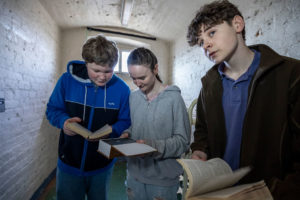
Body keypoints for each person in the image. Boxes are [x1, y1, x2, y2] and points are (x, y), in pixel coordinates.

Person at [186, 0, 300, 199]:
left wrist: (281, 192)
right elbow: (202, 132)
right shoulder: (208, 85)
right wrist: (200, 151)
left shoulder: (291, 74)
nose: (206, 45)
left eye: (211, 33)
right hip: (220, 192)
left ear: (237, 24)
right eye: (201, 41)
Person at [46, 35, 131, 200]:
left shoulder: (123, 90)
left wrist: (113, 130)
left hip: (103, 165)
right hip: (69, 163)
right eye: (96, 70)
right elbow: (52, 110)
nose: (102, 76)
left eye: (108, 71)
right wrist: (63, 122)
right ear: (86, 63)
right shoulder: (66, 81)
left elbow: (125, 120)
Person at [120, 47, 191, 200]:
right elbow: (136, 127)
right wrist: (127, 134)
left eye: (142, 77)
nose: (137, 83)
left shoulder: (174, 99)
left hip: (162, 180)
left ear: (156, 69)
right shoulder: (134, 98)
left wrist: (155, 147)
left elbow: (183, 141)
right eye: (133, 78)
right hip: (134, 175)